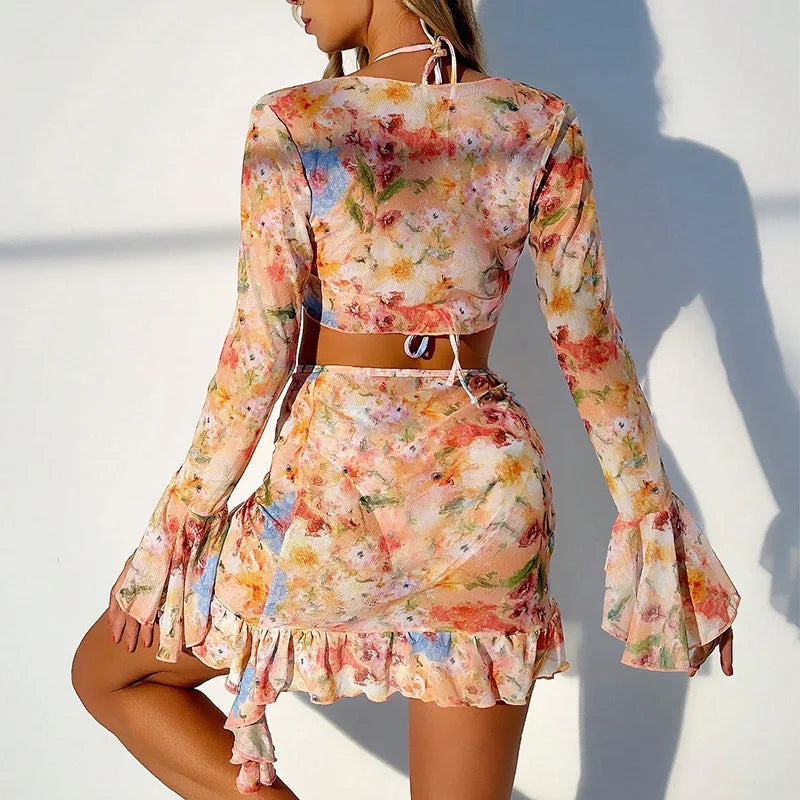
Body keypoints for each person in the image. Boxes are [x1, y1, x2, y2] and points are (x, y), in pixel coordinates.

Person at [71, 2, 740, 798]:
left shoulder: (294, 121)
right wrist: (653, 526)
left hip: (330, 495)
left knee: (110, 675)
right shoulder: (538, 122)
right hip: (482, 500)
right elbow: (590, 345)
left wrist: (179, 528)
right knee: (111, 674)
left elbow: (258, 349)